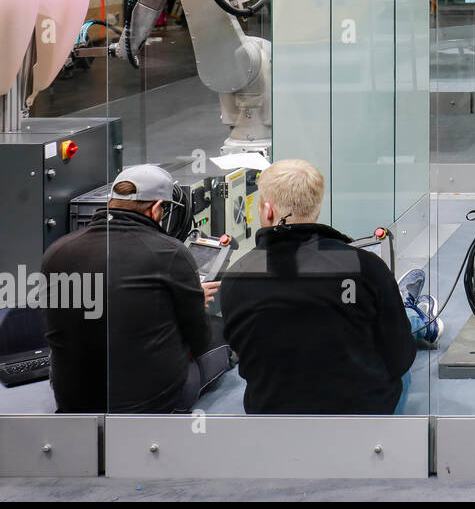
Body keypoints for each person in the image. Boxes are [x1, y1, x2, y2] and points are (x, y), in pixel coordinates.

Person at [220, 159, 438, 415]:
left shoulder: (236, 278)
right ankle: (412, 312)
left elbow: (244, 357)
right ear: (317, 207)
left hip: (273, 419)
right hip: (362, 422)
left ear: (267, 211)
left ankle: (409, 310)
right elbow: (400, 358)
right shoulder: (365, 267)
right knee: (398, 345)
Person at [40, 164, 233, 413]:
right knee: (218, 333)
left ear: (111, 203)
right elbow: (197, 339)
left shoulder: (56, 252)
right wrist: (191, 300)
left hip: (73, 401)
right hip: (150, 404)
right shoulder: (170, 253)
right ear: (155, 209)